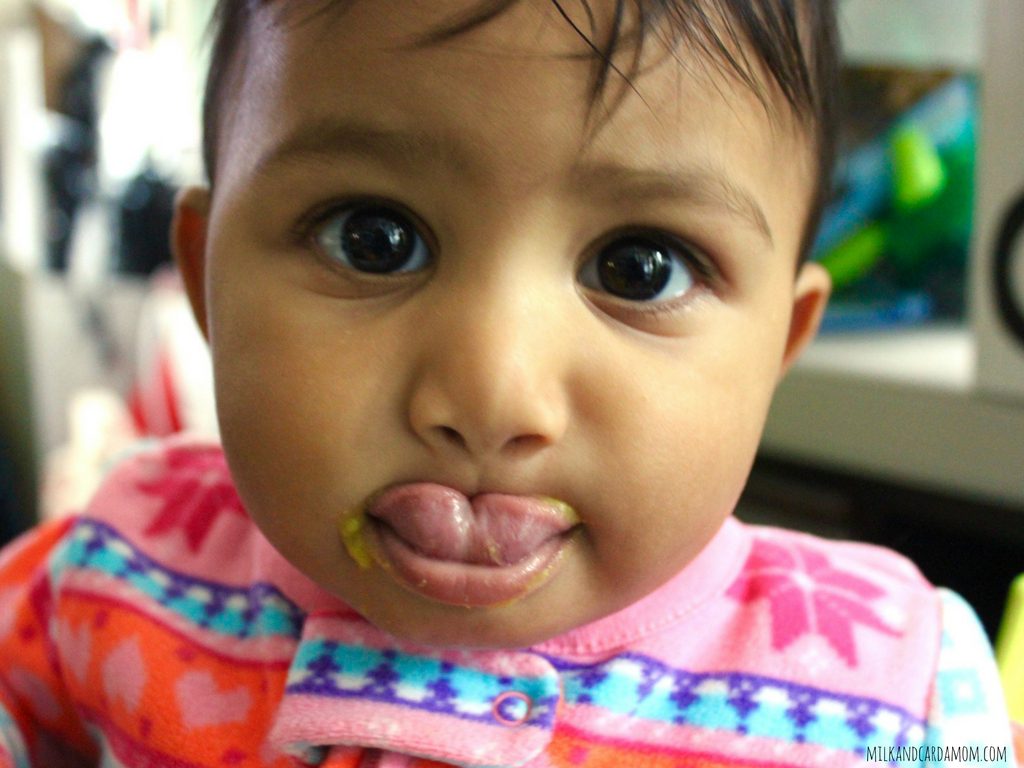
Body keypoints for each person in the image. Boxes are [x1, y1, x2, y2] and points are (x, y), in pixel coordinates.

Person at [0, 1, 1017, 766]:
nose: (491, 394)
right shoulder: (123, 560)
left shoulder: (901, 696)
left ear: (778, 345)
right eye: (375, 239)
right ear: (205, 281)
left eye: (638, 268)